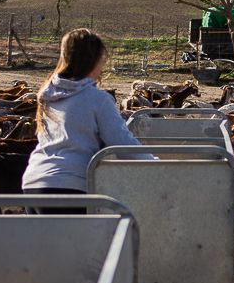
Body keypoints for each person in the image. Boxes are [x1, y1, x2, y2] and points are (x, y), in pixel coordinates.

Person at [21, 28, 144, 214]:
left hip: (33, 181)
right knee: (75, 243)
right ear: (95, 59)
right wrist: (156, 164)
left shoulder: (47, 95)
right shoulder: (97, 99)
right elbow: (122, 144)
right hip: (69, 185)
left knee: (46, 244)